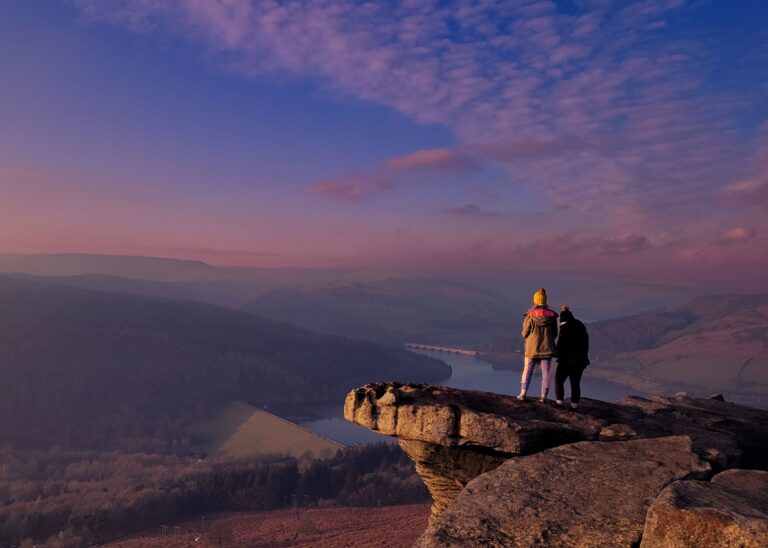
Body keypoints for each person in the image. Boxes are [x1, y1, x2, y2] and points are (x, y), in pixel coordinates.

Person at [518, 288, 558, 402]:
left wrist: (528, 339)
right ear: (545, 301)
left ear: (535, 301)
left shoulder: (530, 316)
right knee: (546, 372)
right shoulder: (552, 316)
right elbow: (555, 334)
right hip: (547, 349)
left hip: (532, 348)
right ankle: (543, 397)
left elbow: (525, 332)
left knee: (528, 370)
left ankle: (523, 394)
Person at [554, 305, 590, 410]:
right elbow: (586, 347)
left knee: (559, 380)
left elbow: (560, 346)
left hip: (566, 361)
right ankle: (574, 405)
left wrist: (556, 354)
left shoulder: (565, 330)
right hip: (580, 361)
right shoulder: (582, 330)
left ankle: (559, 402)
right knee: (575, 383)